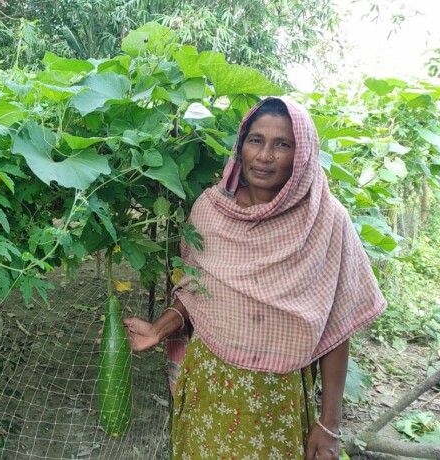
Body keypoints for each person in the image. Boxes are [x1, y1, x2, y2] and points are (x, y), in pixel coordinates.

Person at [123, 97, 387, 459]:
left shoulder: (325, 220)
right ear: (240, 146)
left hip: (276, 399)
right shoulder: (210, 211)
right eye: (256, 140)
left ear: (302, 155)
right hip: (209, 384)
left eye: (282, 144)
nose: (264, 156)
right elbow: (199, 291)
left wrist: (329, 425)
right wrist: (159, 328)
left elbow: (337, 328)